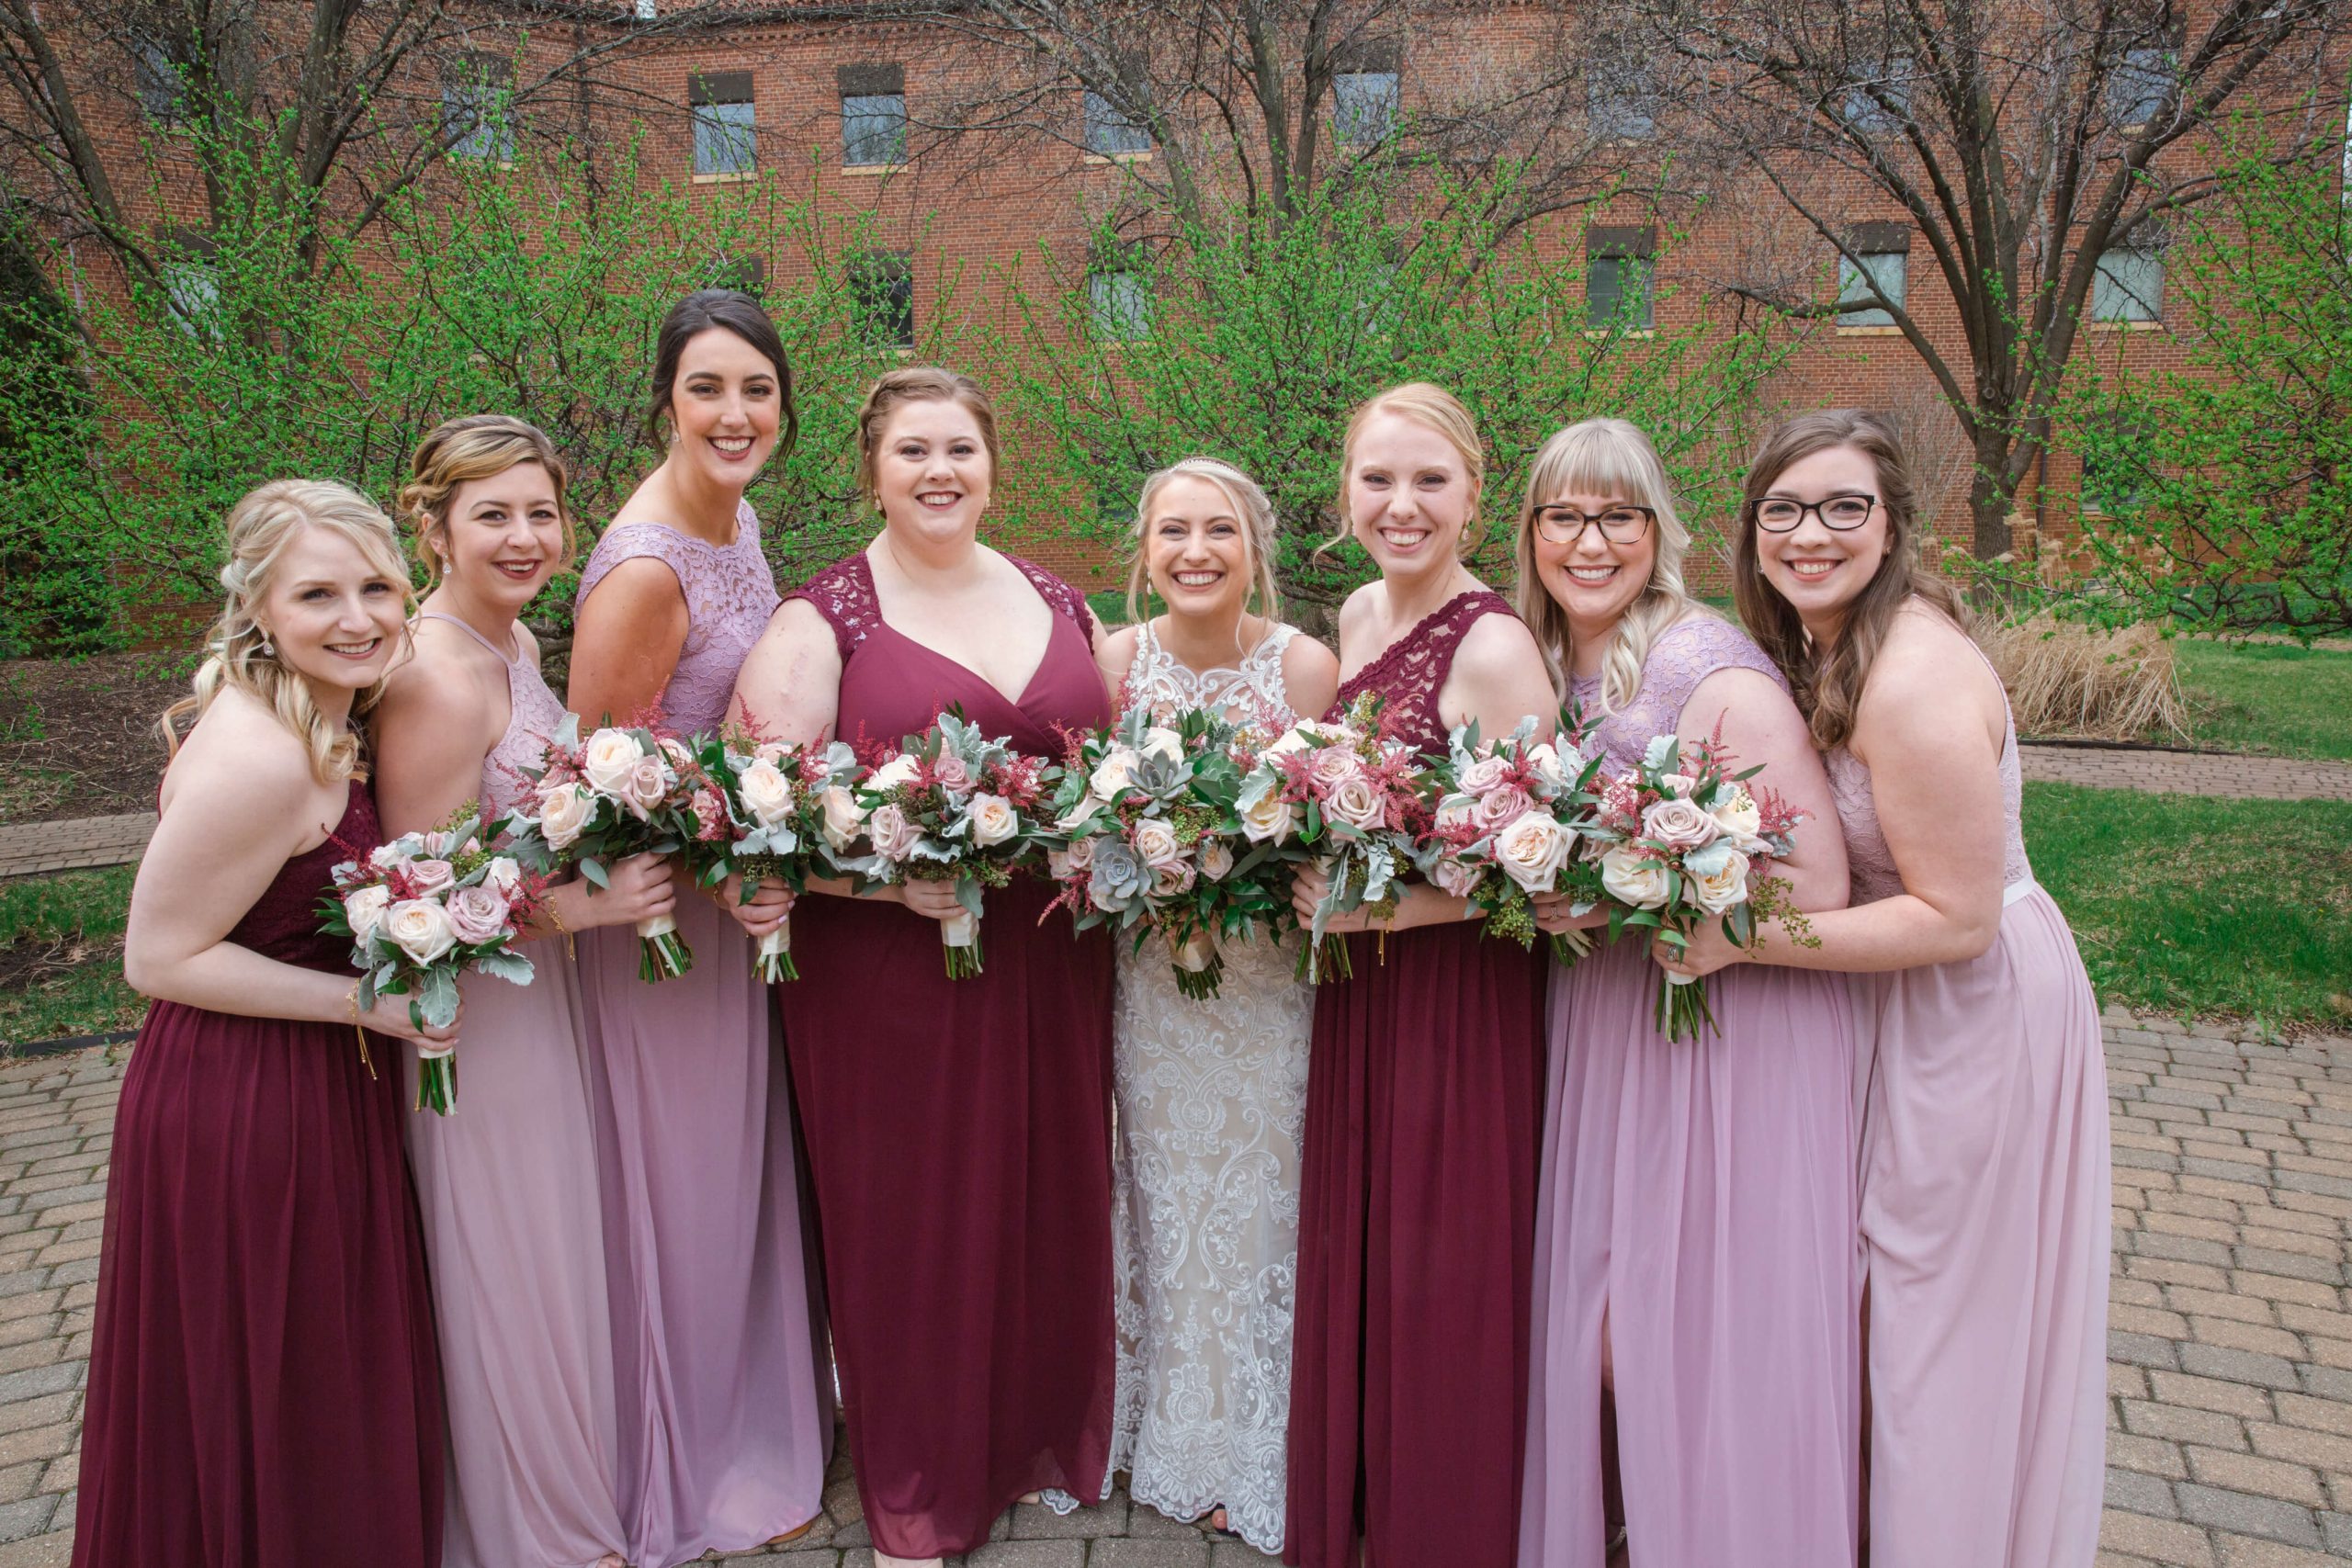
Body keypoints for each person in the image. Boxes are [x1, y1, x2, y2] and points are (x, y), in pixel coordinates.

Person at [1668, 409, 2109, 1568]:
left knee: (1928, 1328)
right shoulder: (1832, 644)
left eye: (1842, 507)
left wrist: (1743, 939)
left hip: (1972, 1015)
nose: (1810, 534)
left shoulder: (1908, 679)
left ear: (1894, 525)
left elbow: (1955, 919)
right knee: (1892, 1306)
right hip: (1906, 997)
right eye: (1783, 510)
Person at [730, 366, 1117, 1567]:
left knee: (1038, 1188)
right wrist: (888, 880)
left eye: (960, 447)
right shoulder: (821, 619)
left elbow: (1106, 761)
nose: (940, 471)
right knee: (915, 1213)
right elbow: (757, 832)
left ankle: (1025, 1434)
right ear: (873, 469)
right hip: (892, 971)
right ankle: (920, 1479)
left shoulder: (1057, 594)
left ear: (993, 460)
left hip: (1050, 959)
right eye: (913, 451)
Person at [73, 480, 446, 1568]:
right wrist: (370, 1004)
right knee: (279, 1380)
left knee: (309, 1382)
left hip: (308, 1081)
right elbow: (159, 958)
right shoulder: (261, 757)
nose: (357, 618)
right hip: (245, 1104)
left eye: (376, 587)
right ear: (259, 612)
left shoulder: (327, 717)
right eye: (317, 594)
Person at [1515, 418, 1860, 1568]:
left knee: (1689, 1330)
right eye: (1564, 515)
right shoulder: (1544, 654)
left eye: (1617, 515)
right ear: (1531, 532)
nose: (1590, 540)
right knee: (1601, 1326)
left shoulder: (1699, 663)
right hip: (1613, 1023)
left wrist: (1634, 907)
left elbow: (1816, 882)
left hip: (1725, 1025)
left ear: (1655, 530)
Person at [375, 415, 676, 1568]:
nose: (522, 536)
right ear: (434, 525)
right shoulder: (437, 677)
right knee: (508, 1258)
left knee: (555, 1247)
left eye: (540, 512)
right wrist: (582, 910)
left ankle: (572, 1498)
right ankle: (536, 1536)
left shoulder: (518, 646)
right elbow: (418, 902)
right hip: (477, 1027)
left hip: (540, 1000)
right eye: (490, 514)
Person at [567, 290, 828, 1564]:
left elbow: (710, 733)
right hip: (661, 926)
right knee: (682, 1190)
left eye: (758, 390)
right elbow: (600, 793)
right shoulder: (649, 567)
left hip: (728, 906)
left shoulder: (739, 518)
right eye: (708, 388)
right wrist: (724, 875)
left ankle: (751, 1425)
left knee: (735, 1176)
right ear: (664, 399)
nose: (736, 414)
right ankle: (685, 1460)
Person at [1283, 382, 1557, 1568]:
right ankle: (1363, 1503)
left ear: (1474, 496)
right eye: (1379, 478)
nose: (1402, 504)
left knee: (1441, 1271)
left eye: (1429, 480)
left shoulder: (1496, 647)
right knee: (1371, 1259)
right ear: (1344, 491)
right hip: (1362, 992)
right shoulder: (1356, 612)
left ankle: (1440, 1525)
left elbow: (1549, 878)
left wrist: (1382, 907)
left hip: (1455, 1000)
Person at [1091, 457, 1339, 1551]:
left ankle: (1260, 1446)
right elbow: (1086, 831)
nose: (1196, 551)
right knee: (1158, 1199)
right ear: (1142, 553)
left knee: (1260, 1210)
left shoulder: (1306, 666)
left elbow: (1330, 822)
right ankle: (1158, 1431)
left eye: (1220, 531)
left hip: (1269, 987)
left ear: (1255, 549)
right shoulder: (1112, 662)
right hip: (1152, 980)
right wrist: (1148, 878)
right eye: (1173, 532)